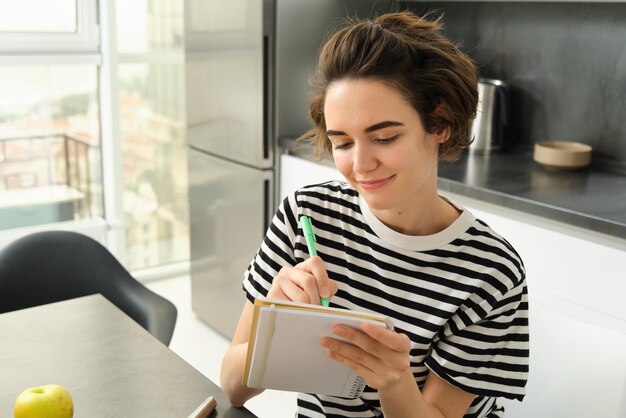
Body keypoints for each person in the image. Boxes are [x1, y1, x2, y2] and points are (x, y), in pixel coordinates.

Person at [221, 10, 529, 418]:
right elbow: (232, 388)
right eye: (343, 143)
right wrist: (274, 326)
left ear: (440, 124)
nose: (361, 165)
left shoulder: (490, 272)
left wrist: (394, 380)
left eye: (384, 137)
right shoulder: (305, 216)